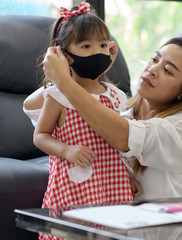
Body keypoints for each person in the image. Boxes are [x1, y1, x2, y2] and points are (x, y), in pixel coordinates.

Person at [25, 24, 182, 200]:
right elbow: (32, 107)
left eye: (167, 70)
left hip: (174, 229)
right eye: (154, 59)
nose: (153, 70)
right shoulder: (120, 108)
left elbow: (124, 136)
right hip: (124, 226)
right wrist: (86, 73)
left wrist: (65, 81)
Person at [31, 2, 135, 221]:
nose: (97, 52)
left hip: (114, 185)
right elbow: (40, 136)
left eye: (103, 45)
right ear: (64, 54)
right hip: (73, 188)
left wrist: (130, 176)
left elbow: (122, 141)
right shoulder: (58, 96)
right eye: (86, 46)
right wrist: (66, 150)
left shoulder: (116, 96)